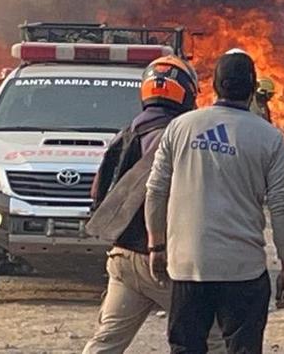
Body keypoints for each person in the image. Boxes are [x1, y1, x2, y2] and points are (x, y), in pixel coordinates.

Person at [146, 49, 284, 354]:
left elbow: (156, 191)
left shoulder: (180, 127)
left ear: (214, 85)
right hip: (242, 270)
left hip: (188, 267)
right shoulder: (270, 138)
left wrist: (156, 245)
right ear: (254, 88)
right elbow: (282, 207)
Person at [84, 56, 224, 354]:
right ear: (186, 92)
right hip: (163, 262)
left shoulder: (124, 135)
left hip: (123, 260)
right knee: (213, 340)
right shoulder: (183, 138)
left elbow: (97, 195)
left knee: (105, 344)